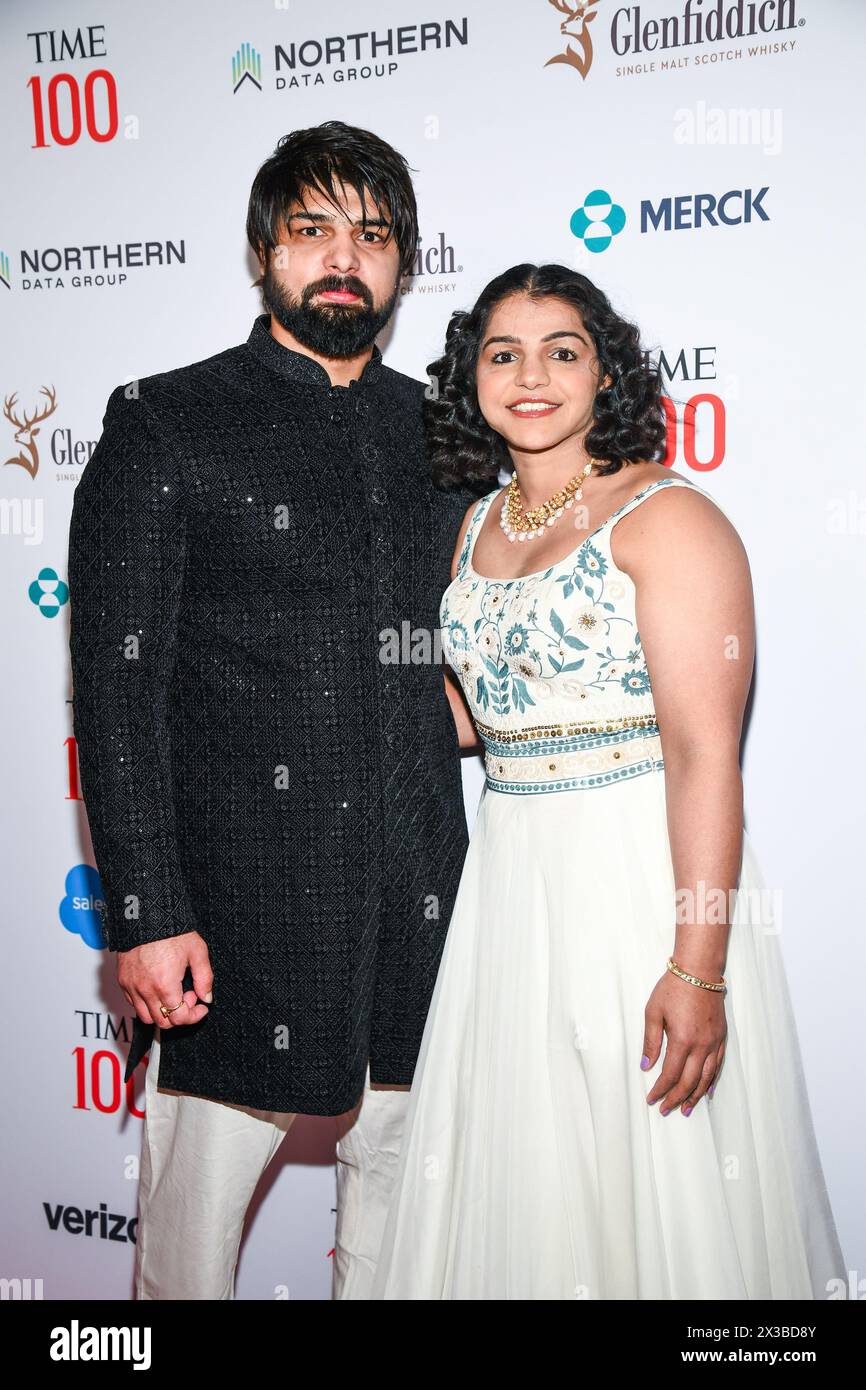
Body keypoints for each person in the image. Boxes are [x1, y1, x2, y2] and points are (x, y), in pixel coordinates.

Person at [369, 263, 849, 1299]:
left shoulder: (667, 517)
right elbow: (486, 713)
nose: (529, 374)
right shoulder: (473, 526)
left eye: (560, 350)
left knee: (654, 1179)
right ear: (470, 376)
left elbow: (703, 753)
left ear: (605, 372)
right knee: (531, 1180)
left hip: (633, 879)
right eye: (502, 353)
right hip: (507, 887)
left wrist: (699, 964)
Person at [66, 121, 475, 1300]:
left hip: (420, 904)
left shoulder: (444, 435)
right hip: (233, 924)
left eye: (373, 235)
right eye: (312, 231)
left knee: (403, 1239)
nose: (343, 257)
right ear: (263, 252)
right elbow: (120, 690)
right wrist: (145, 912)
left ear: (401, 264)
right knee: (185, 1256)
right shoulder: (166, 419)